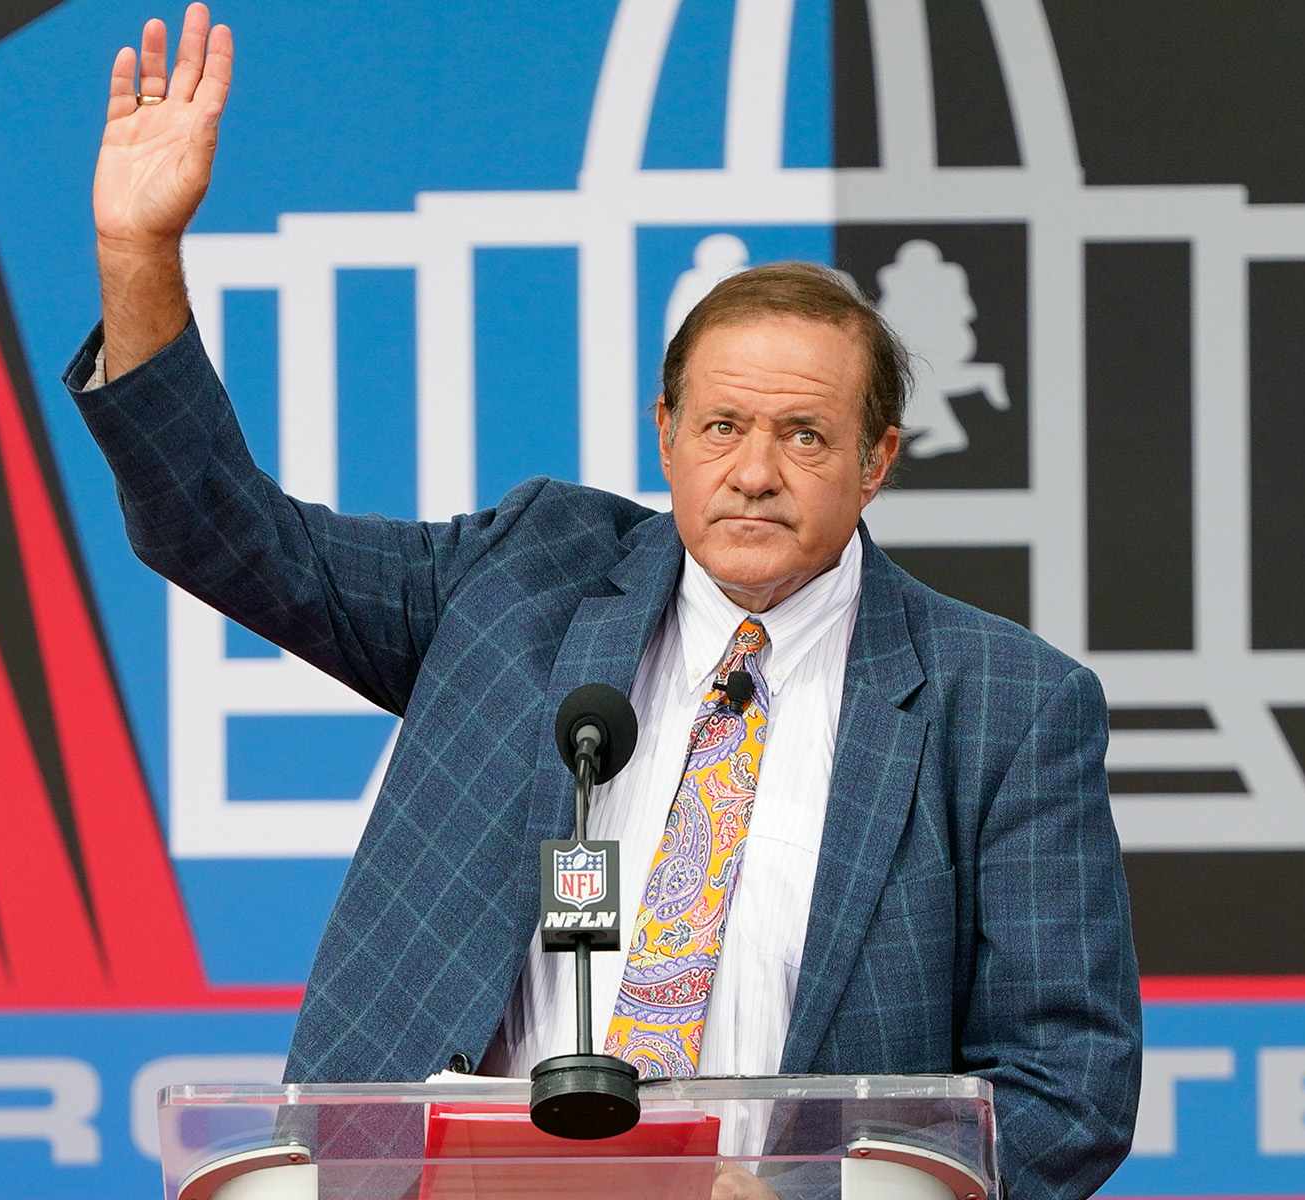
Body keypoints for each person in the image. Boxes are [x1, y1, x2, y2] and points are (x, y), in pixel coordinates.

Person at [72, 8, 1140, 1197]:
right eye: (723, 427)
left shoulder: (1005, 703)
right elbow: (220, 533)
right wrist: (138, 258)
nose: (754, 471)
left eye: (805, 435)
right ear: (667, 436)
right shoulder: (527, 577)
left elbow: (1067, 1088)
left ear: (877, 459)